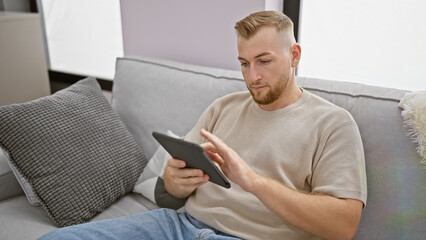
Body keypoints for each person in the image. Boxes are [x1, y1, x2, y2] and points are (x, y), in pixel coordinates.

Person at [39, 10, 367, 240]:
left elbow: (343, 227)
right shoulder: (223, 107)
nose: (252, 77)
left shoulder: (333, 124)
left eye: (264, 61)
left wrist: (254, 183)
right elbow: (171, 193)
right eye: (244, 63)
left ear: (294, 55)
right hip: (175, 226)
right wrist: (173, 182)